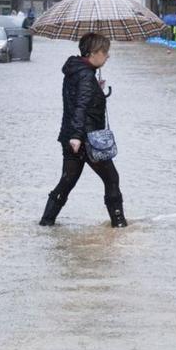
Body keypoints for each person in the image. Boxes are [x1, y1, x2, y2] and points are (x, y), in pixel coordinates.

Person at [39, 32, 126, 228]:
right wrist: (78, 137)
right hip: (86, 139)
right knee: (112, 178)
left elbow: (79, 100)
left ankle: (46, 222)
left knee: (68, 180)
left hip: (70, 135)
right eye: (105, 52)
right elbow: (80, 106)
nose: (108, 56)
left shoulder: (76, 71)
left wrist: (97, 89)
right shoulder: (86, 76)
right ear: (94, 52)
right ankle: (119, 225)